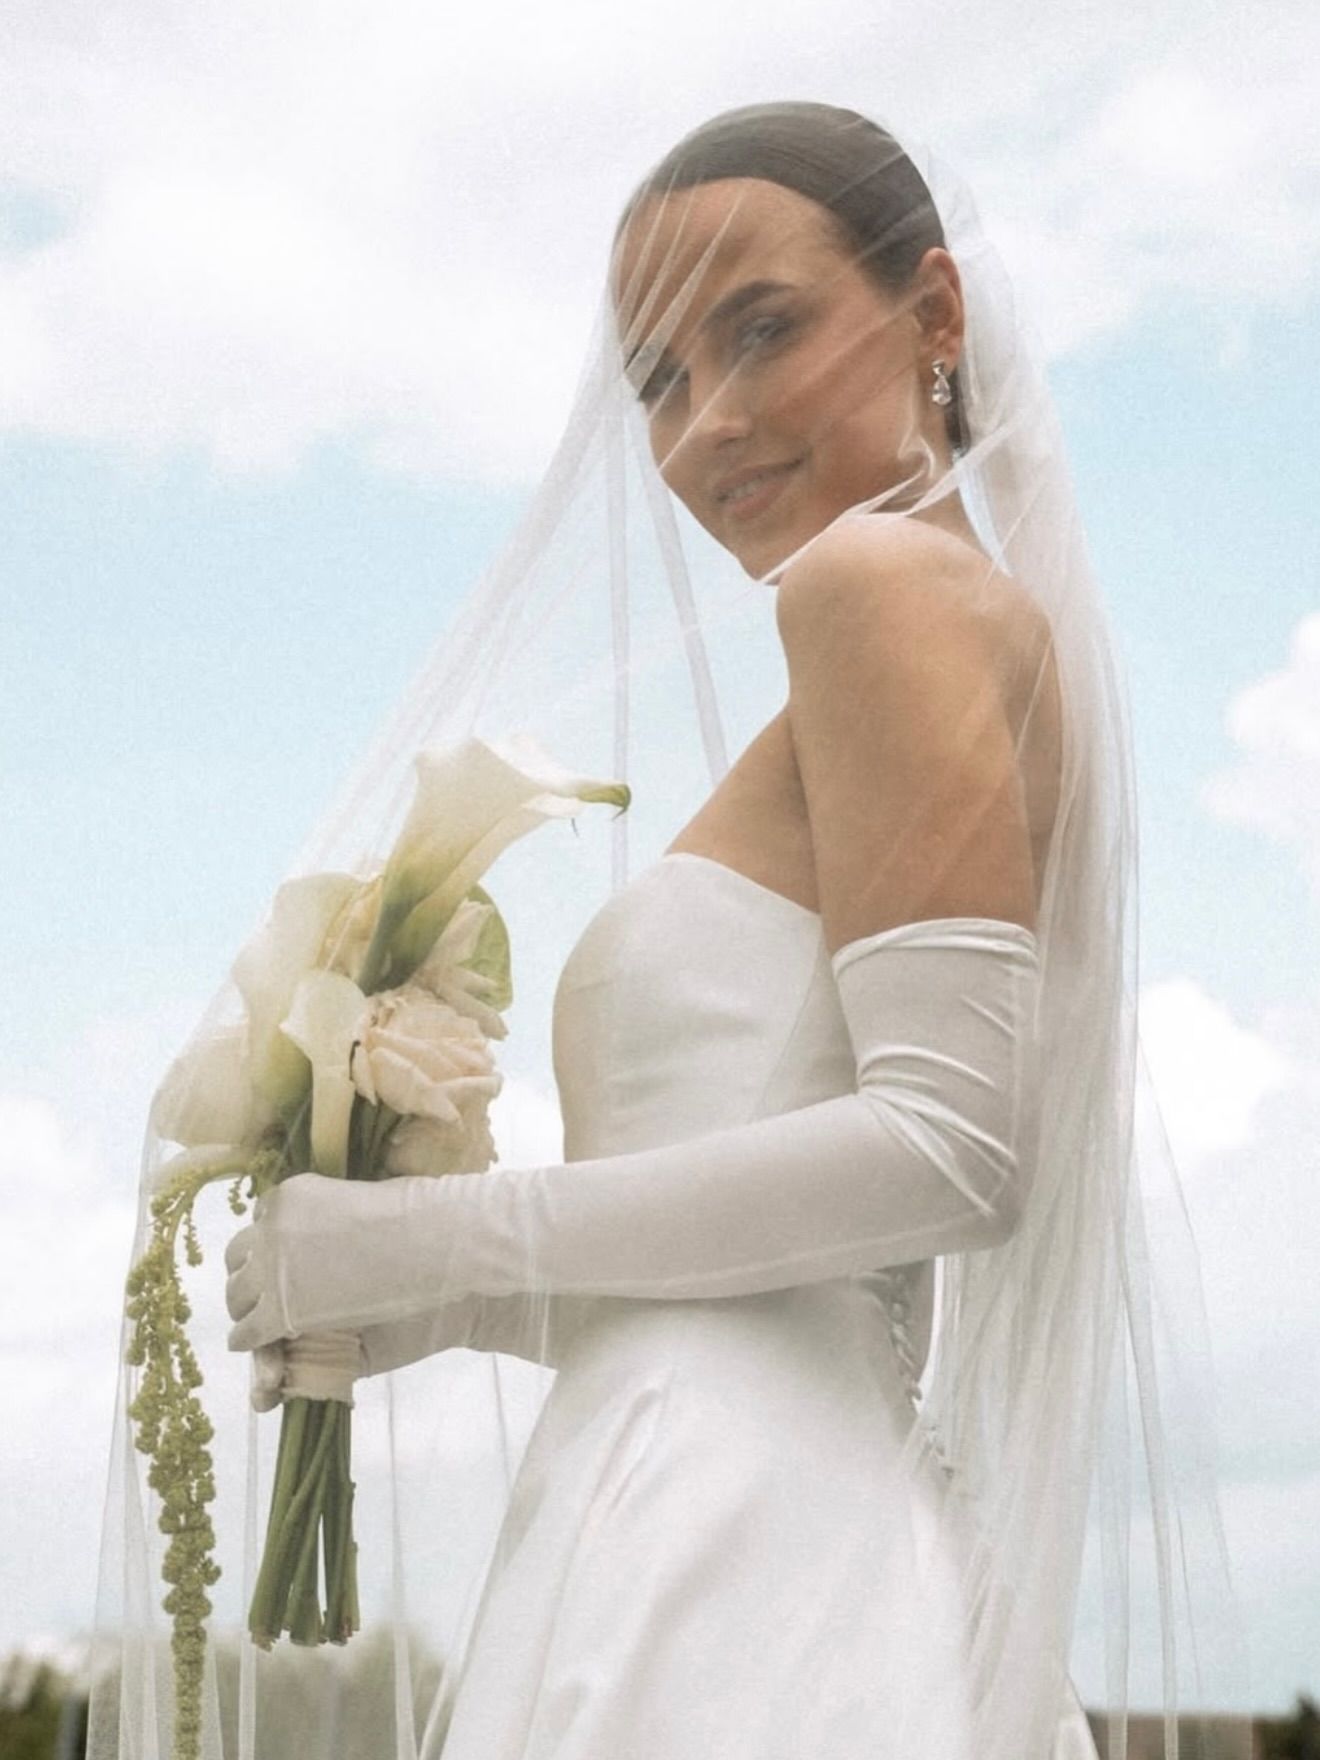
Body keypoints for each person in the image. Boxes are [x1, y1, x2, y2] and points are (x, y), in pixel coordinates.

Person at [94, 102, 1247, 1760]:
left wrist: (443, 1240)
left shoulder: (880, 591)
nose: (706, 424)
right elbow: (793, 1277)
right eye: (655, 378)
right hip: (731, 1501)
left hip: (733, 1544)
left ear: (936, 314)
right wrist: (441, 1305)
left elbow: (949, 1151)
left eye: (758, 329)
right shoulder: (958, 621)